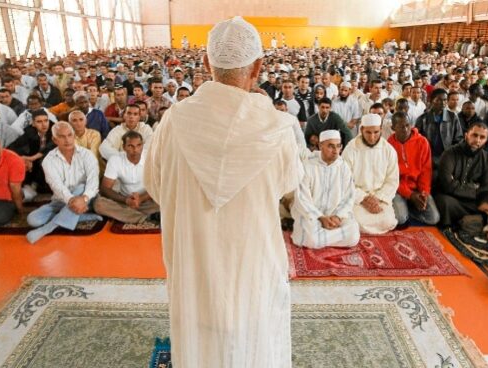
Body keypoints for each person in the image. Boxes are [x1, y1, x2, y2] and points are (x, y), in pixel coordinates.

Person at [144, 17, 301, 368]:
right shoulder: (276, 128)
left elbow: (155, 184)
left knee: (203, 342)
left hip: (195, 258)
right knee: (254, 339)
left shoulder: (173, 121)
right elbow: (288, 185)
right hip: (252, 262)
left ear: (205, 64)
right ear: (258, 67)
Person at [25, 122, 102, 244]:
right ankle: (78, 216)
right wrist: (72, 201)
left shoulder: (87, 155)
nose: (67, 140)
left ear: (74, 136)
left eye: (69, 135)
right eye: (61, 136)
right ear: (55, 140)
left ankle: (47, 228)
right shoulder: (49, 160)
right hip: (60, 201)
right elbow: (57, 186)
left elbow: (93, 182)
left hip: (87, 200)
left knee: (81, 187)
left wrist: (83, 198)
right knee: (33, 220)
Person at [290, 130, 359, 248]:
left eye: (338, 146)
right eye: (331, 146)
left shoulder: (343, 167)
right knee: (311, 239)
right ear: (320, 145)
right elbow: (302, 198)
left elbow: (349, 196)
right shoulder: (308, 166)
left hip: (335, 215)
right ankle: (330, 237)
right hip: (312, 215)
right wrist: (321, 218)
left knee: (353, 235)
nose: (336, 151)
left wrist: (337, 216)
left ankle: (323, 238)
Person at [342, 113, 399, 234]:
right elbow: (344, 181)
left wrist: (377, 199)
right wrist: (363, 198)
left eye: (376, 132)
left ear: (381, 130)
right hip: (357, 197)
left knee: (388, 221)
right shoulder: (351, 148)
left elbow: (392, 181)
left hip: (380, 198)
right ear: (361, 129)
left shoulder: (389, 150)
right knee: (356, 221)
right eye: (368, 132)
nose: (372, 137)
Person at [434, 121, 488, 228]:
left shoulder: (487, 159)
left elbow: (487, 188)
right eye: (474, 135)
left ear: (486, 140)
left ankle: (466, 222)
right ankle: (451, 228)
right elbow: (447, 185)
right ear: (466, 135)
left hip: (473, 202)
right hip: (452, 199)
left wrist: (458, 185)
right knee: (444, 202)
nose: (477, 140)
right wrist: (474, 188)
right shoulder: (450, 153)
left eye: (482, 137)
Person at [94, 131, 160, 224]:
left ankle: (130, 216)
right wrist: (126, 200)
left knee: (167, 200)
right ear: (124, 147)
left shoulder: (150, 158)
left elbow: (158, 185)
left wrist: (140, 199)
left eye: (138, 145)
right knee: (99, 204)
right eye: (130, 146)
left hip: (147, 201)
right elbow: (105, 188)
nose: (135, 149)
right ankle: (146, 218)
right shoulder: (115, 159)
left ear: (142, 146)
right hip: (124, 201)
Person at [387, 112, 439, 225]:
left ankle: (408, 209)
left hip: (417, 189)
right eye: (401, 126)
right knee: (401, 219)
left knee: (434, 218)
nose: (405, 129)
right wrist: (410, 195)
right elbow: (391, 178)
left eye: (407, 125)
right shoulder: (388, 145)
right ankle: (405, 210)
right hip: (398, 189)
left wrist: (423, 194)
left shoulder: (422, 142)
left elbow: (426, 171)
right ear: (393, 128)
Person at [8, 110, 56, 198]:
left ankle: (37, 187)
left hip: (52, 160)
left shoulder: (55, 131)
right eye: (39, 121)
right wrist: (24, 159)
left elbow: (51, 147)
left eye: (46, 120)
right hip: (34, 163)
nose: (44, 124)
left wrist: (32, 158)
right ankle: (29, 187)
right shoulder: (29, 132)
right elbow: (12, 148)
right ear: (33, 124)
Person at [415, 89, 463, 167]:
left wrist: (452, 155)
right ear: (431, 101)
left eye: (445, 100)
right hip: (428, 157)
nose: (443, 103)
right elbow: (417, 141)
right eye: (439, 100)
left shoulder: (452, 117)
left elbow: (458, 138)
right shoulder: (423, 119)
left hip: (447, 157)